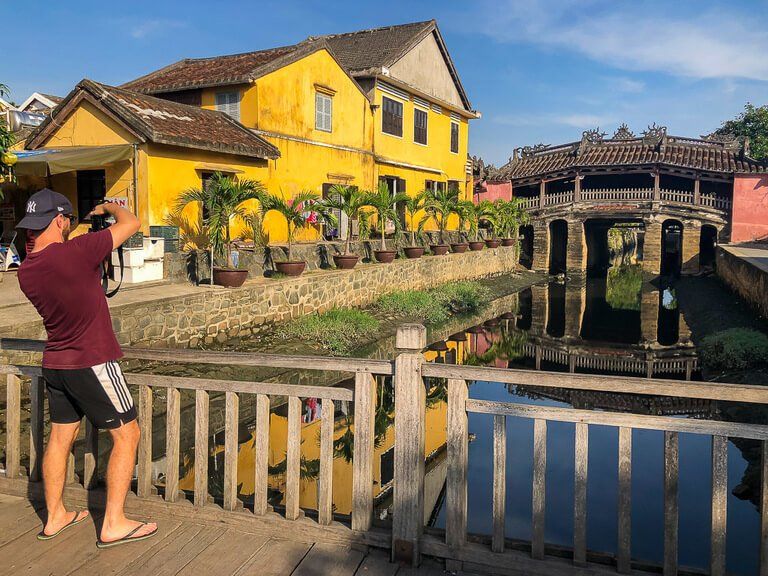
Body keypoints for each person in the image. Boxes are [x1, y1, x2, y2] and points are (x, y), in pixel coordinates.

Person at [16, 188, 158, 548]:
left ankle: (55, 516)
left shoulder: (28, 270)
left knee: (60, 438)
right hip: (92, 360)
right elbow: (132, 223)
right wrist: (109, 206)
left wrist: (73, 230)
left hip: (57, 364)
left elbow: (59, 254)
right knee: (128, 434)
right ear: (62, 221)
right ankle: (113, 522)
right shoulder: (80, 251)